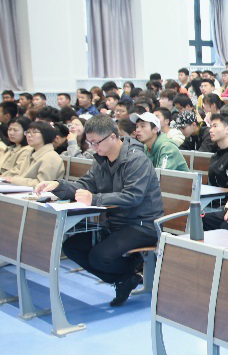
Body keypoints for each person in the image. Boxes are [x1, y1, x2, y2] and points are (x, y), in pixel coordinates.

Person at [35, 115, 163, 307]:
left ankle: (132, 268)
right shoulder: (102, 160)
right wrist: (58, 186)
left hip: (143, 225)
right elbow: (84, 184)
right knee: (72, 246)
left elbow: (133, 196)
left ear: (112, 137)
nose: (93, 147)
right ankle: (125, 278)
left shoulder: (137, 160)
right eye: (90, 142)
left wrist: (94, 199)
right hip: (114, 224)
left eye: (96, 142)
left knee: (99, 256)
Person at [1, 121, 63, 187]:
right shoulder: (31, 153)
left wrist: (15, 180)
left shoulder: (50, 157)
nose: (29, 135)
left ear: (46, 134)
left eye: (34, 132)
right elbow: (20, 174)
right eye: (28, 132)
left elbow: (43, 184)